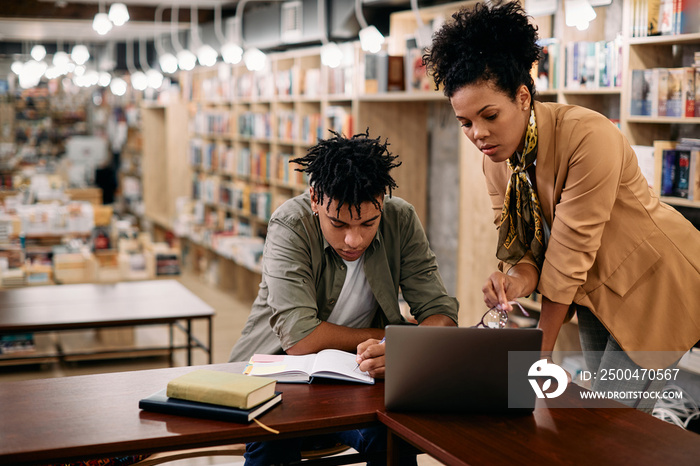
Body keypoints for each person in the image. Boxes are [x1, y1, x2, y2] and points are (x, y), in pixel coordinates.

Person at [423, 1, 700, 413]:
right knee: (604, 421)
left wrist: (539, 351)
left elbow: (569, 252)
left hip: (658, 284)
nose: (478, 133)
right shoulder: (497, 165)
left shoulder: (588, 137)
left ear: (521, 96)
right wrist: (515, 281)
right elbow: (526, 254)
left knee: (613, 423)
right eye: (465, 122)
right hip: (593, 290)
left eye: (489, 115)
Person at [229, 130, 458, 465]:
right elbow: (300, 338)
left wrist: (411, 345)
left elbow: (440, 313)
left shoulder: (400, 218)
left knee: (395, 439)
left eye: (368, 223)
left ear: (382, 201)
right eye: (337, 223)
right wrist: (397, 338)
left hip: (358, 378)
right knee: (273, 440)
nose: (354, 239)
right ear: (314, 199)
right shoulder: (289, 225)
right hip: (279, 375)